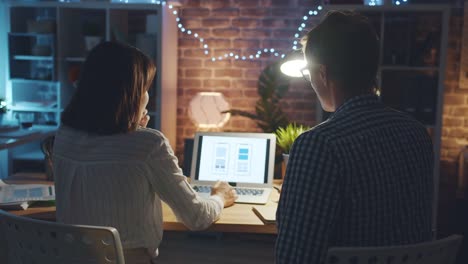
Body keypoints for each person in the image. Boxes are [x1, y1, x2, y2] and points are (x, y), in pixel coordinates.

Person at [53, 41, 237, 263]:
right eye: (146, 89)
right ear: (130, 95)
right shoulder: (149, 144)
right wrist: (219, 197)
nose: (147, 96)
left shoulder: (64, 135)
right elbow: (196, 217)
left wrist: (134, 128)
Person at [275, 11, 434, 264]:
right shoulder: (416, 133)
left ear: (323, 75)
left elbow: (294, 255)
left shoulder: (319, 145)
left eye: (309, 74)